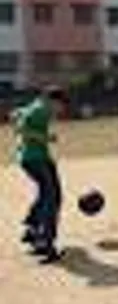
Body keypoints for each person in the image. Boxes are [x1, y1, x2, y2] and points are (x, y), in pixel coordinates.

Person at [12, 86, 65, 264]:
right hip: (36, 159)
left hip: (34, 158)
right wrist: (46, 138)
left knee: (49, 193)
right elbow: (21, 129)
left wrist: (18, 115)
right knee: (52, 197)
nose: (61, 110)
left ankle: (32, 229)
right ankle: (45, 242)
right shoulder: (41, 110)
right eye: (60, 105)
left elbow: (17, 114)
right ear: (53, 101)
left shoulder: (36, 106)